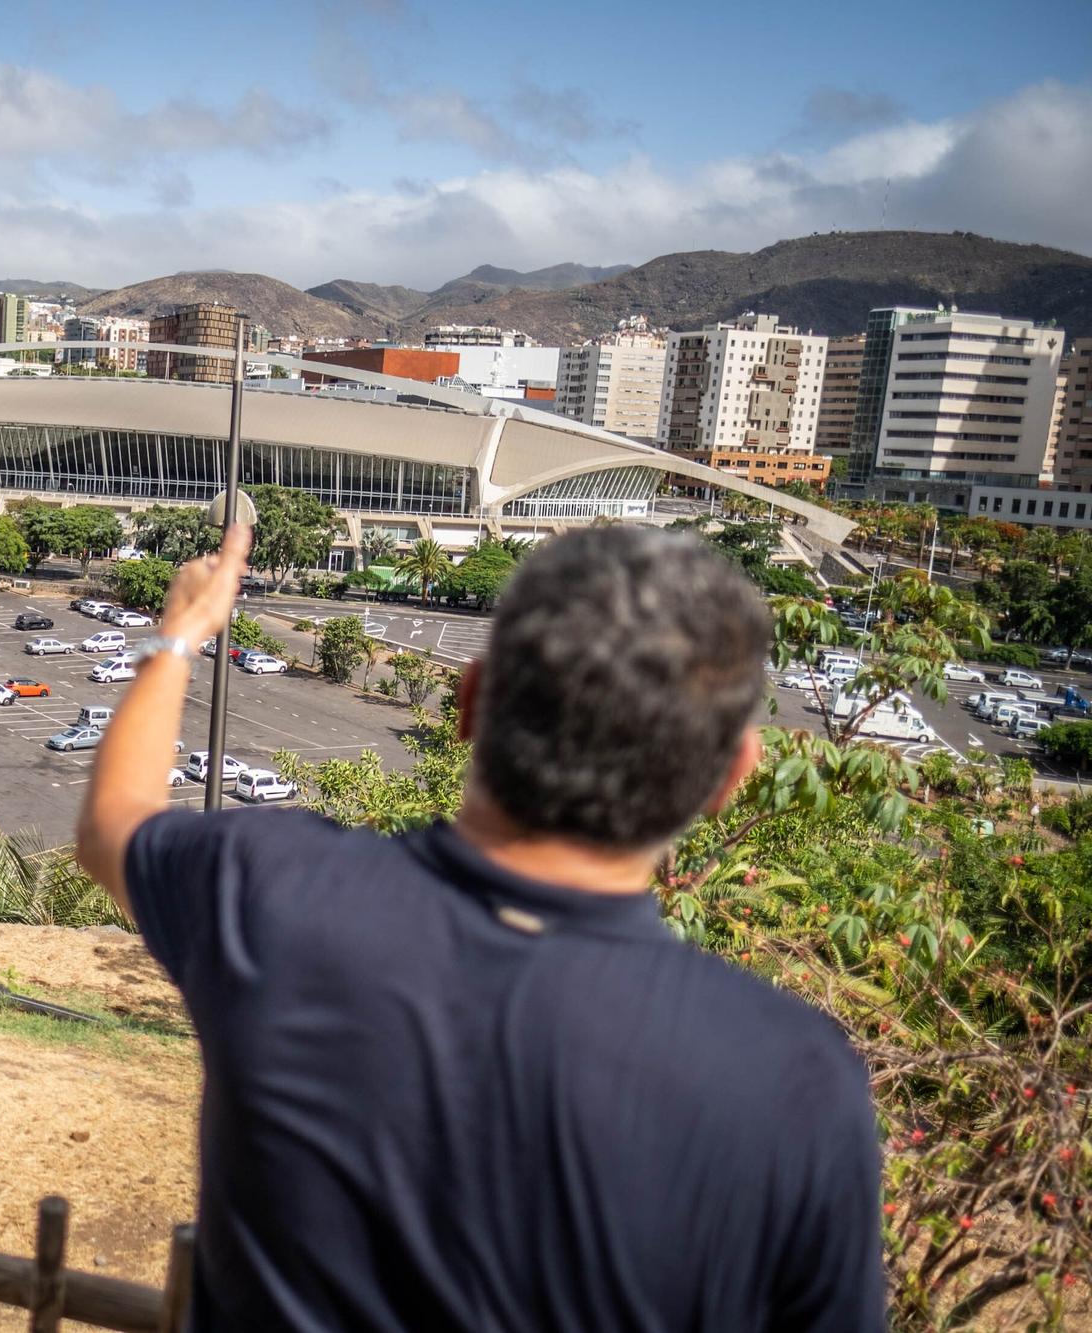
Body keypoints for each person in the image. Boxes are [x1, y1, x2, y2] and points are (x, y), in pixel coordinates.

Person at [77, 525, 883, 1332]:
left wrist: (181, 631)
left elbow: (113, 822)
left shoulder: (274, 896)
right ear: (730, 777)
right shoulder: (796, 1083)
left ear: (468, 700)